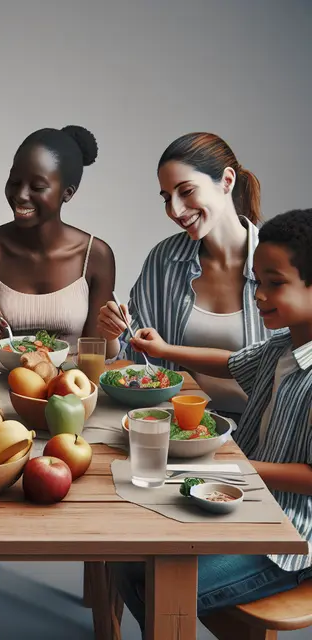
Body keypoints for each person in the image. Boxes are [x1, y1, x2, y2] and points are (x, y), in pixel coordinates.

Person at [112, 209, 312, 635]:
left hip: (293, 541)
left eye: (276, 283)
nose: (259, 295)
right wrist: (167, 347)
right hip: (249, 503)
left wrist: (231, 468)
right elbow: (231, 362)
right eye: (257, 282)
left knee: (151, 581)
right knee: (128, 557)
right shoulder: (281, 344)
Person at [97, 132, 272, 422]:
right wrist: (112, 336)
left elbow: (291, 364)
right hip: (178, 427)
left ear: (227, 181)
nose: (175, 210)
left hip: (264, 433)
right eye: (167, 198)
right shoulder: (164, 259)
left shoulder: (278, 264)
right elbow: (133, 359)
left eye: (186, 191)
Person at [0, 125, 115, 364]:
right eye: (14, 182)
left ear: (68, 193)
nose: (21, 195)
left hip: (71, 390)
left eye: (37, 187)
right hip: (5, 388)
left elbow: (95, 354)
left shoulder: (95, 256)